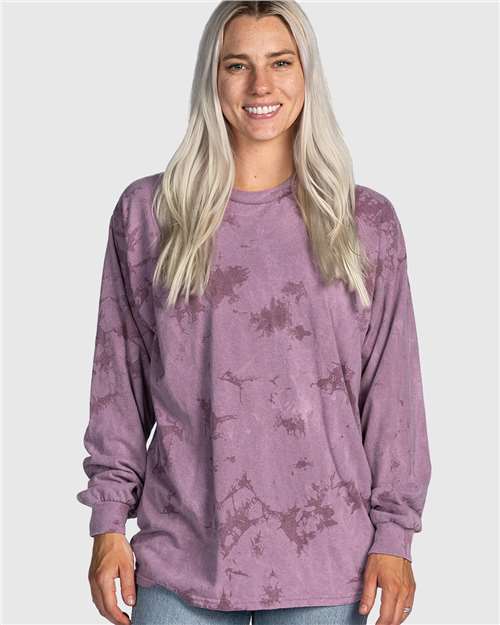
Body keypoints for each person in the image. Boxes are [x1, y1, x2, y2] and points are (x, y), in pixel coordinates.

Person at [76, 2, 432, 624]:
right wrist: (107, 521)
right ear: (212, 78)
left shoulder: (364, 222)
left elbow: (392, 393)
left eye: (281, 63)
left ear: (306, 73)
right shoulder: (150, 215)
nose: (261, 86)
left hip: (328, 559)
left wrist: (395, 536)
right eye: (237, 65)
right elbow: (118, 383)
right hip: (180, 555)